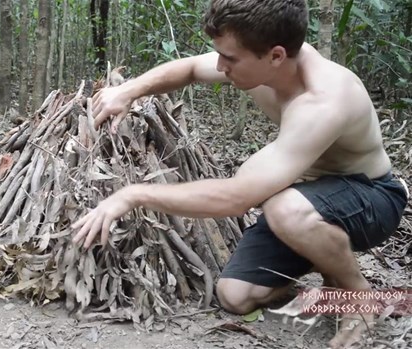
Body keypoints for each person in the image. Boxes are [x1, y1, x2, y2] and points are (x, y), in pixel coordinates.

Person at [70, 0, 409, 348]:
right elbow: (188, 68)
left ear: (276, 56)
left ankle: (358, 296)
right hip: (309, 193)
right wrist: (127, 91)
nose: (219, 66)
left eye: (229, 59)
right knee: (235, 296)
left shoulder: (323, 101)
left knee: (284, 208)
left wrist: (132, 194)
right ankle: (328, 272)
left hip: (371, 196)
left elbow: (237, 199)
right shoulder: (261, 53)